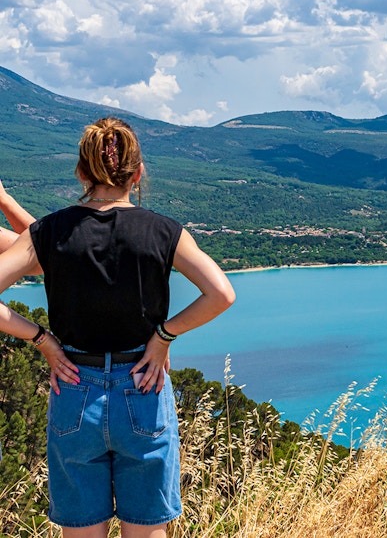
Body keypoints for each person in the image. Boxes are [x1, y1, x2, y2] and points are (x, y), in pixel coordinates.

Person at [0, 117, 236, 538]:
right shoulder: (164, 231)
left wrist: (41, 340)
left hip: (72, 387)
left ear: (81, 172)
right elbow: (221, 294)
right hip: (143, 388)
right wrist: (163, 337)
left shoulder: (50, 231)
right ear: (138, 172)